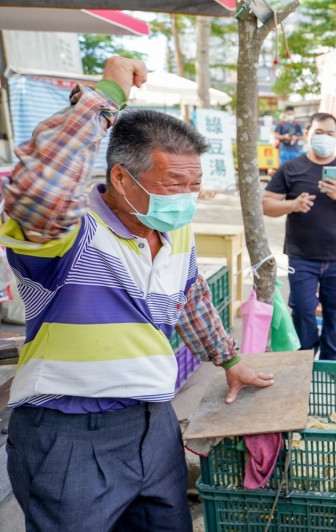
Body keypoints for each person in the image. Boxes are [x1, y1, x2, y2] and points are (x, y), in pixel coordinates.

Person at [1, 57, 274, 531]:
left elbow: (188, 297)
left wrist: (229, 360)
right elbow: (37, 190)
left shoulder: (174, 229)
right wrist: (105, 97)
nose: (186, 198)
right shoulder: (69, 232)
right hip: (69, 436)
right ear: (122, 178)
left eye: (195, 185)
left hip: (154, 425)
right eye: (173, 184)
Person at [262, 112, 336, 361]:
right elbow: (267, 204)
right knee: (302, 309)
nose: (324, 137)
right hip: (301, 256)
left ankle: (331, 359)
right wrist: (292, 205)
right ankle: (307, 355)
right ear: (308, 134)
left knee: (334, 310)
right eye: (319, 132)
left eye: (330, 133)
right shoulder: (291, 169)